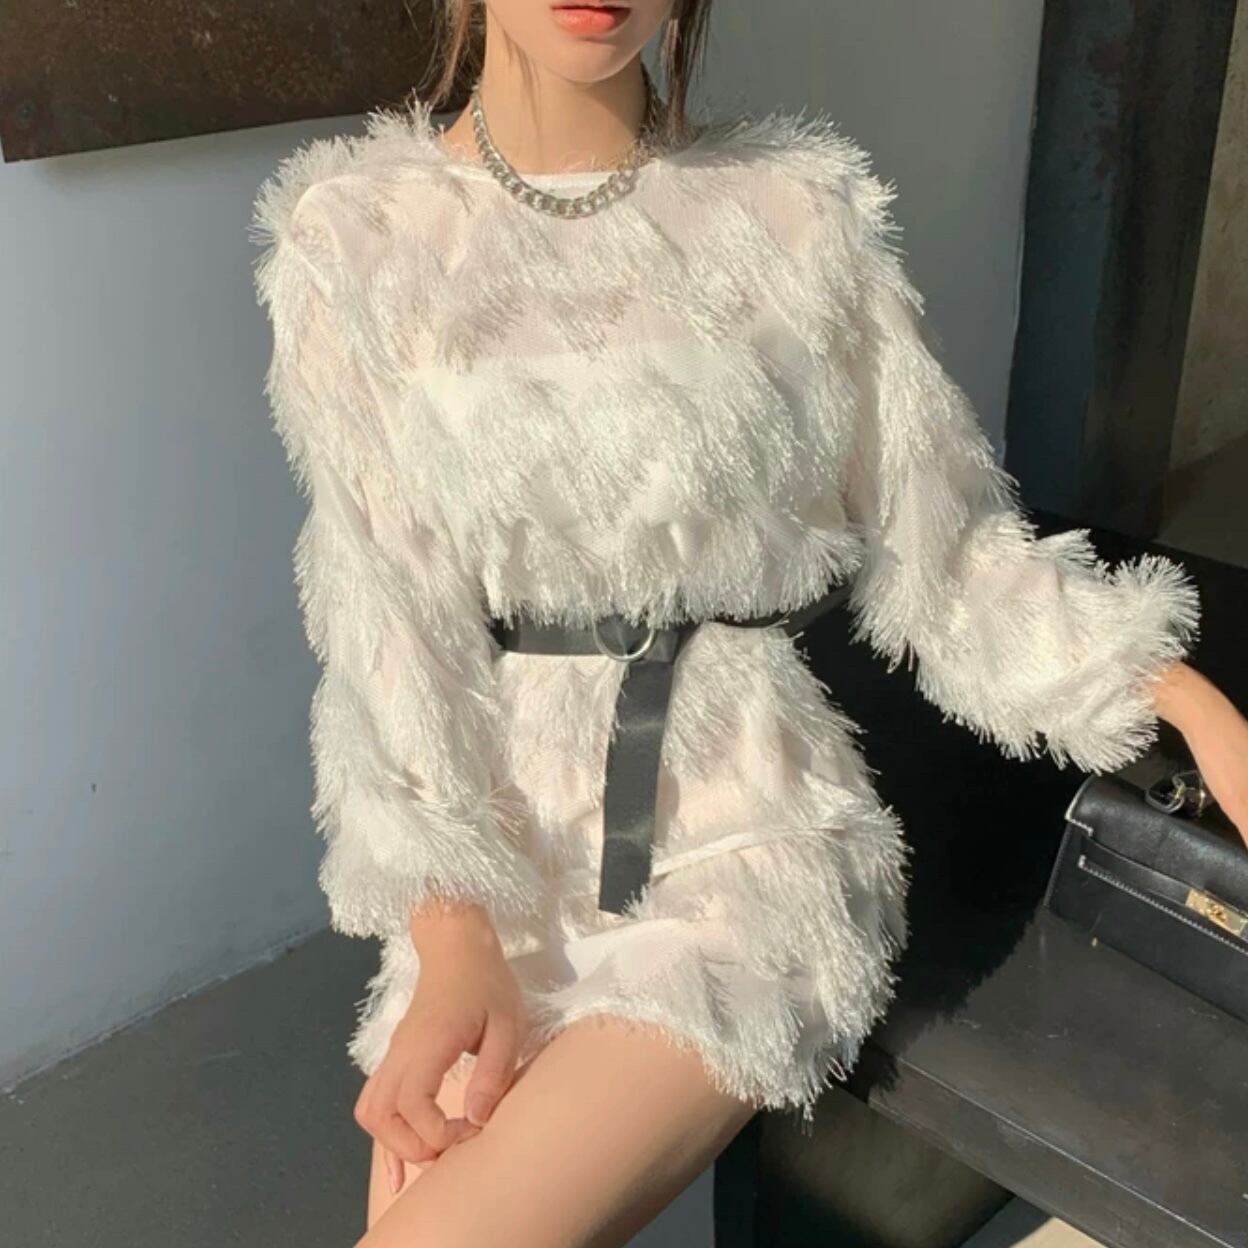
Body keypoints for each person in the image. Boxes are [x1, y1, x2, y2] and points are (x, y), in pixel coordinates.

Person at [250, 2, 1248, 1243]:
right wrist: (450, 931)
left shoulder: (793, 214)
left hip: (743, 827)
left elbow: (946, 552)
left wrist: (1194, 707)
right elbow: (388, 619)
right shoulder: (357, 238)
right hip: (500, 850)